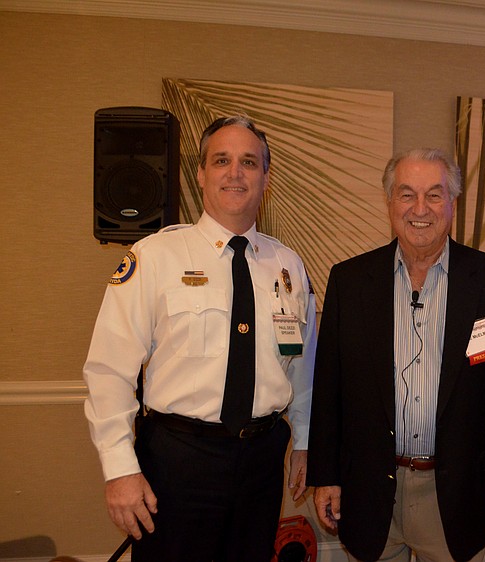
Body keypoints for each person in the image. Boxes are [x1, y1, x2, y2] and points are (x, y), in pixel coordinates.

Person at [83, 115, 316, 561]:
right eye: (221, 160)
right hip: (178, 461)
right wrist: (119, 468)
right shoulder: (156, 256)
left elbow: (301, 368)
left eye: (249, 162)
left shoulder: (289, 266)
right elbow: (109, 370)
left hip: (262, 461)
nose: (235, 173)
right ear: (201, 174)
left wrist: (304, 441)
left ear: (266, 178)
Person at [307, 148, 485, 562]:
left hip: (458, 495)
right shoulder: (349, 281)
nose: (420, 209)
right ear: (389, 201)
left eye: (434, 194)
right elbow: (328, 391)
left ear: (452, 203)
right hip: (369, 492)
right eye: (407, 194)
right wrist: (326, 475)